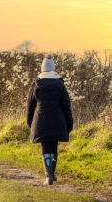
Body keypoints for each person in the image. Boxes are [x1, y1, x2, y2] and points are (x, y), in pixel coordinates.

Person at [25, 54, 73, 185]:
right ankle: (51, 174)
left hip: (41, 120)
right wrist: (69, 123)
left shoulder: (36, 84)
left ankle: (48, 177)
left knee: (45, 145)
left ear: (42, 68)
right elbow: (66, 106)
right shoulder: (60, 85)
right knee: (53, 144)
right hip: (58, 120)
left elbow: (30, 106)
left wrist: (30, 122)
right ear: (53, 68)